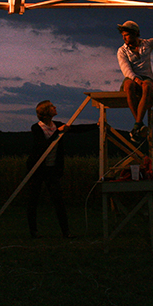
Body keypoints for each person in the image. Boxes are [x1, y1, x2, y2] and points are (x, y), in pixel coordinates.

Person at [26, 100, 98, 239]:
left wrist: (96, 125)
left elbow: (76, 129)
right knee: (33, 200)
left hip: (52, 170)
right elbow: (43, 146)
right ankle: (33, 232)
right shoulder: (36, 128)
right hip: (37, 169)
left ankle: (66, 232)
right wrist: (57, 133)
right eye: (52, 106)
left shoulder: (57, 125)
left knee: (58, 200)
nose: (55, 107)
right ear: (46, 112)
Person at [117, 5, 153, 142]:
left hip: (146, 79)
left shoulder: (147, 44)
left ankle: (137, 125)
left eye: (127, 35)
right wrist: (136, 79)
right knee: (129, 86)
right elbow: (126, 69)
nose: (124, 38)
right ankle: (139, 124)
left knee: (148, 86)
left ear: (135, 34)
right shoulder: (122, 51)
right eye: (123, 35)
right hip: (132, 79)